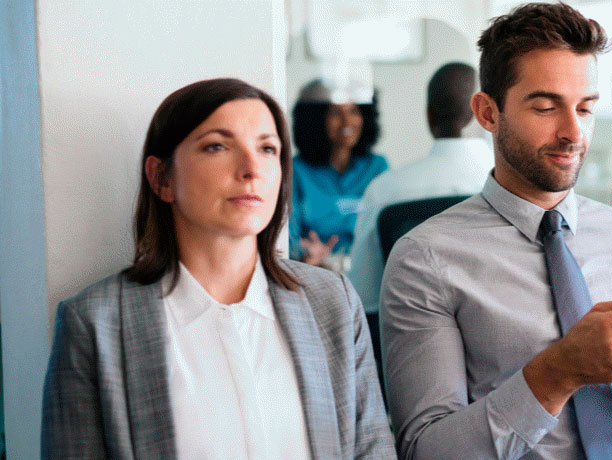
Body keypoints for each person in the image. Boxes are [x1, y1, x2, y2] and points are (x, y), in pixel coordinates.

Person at [381, 4, 612, 460]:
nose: (573, 132)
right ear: (487, 113)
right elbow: (426, 452)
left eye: (585, 108)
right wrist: (557, 373)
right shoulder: (425, 260)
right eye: (546, 107)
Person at [41, 78, 396, 460]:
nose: (251, 169)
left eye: (267, 148)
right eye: (217, 146)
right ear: (162, 178)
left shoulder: (335, 303)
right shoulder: (94, 325)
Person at [349, 61, 493, 318]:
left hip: (405, 345)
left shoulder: (384, 190)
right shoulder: (514, 186)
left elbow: (366, 298)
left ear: (429, 115)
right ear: (485, 113)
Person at [289, 79, 388, 266]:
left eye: (353, 111)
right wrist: (304, 253)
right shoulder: (295, 171)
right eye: (336, 112)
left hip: (368, 270)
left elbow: (387, 229)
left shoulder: (377, 167)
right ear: (316, 119)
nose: (347, 121)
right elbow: (287, 236)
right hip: (314, 270)